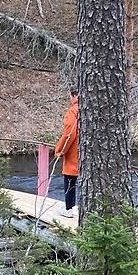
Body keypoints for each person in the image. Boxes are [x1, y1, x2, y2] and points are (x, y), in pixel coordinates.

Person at [54, 89, 79, 217]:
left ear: (74, 95)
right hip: (88, 154)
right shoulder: (92, 108)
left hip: (75, 153)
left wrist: (60, 150)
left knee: (70, 179)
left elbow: (69, 133)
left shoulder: (73, 112)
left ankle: (69, 209)